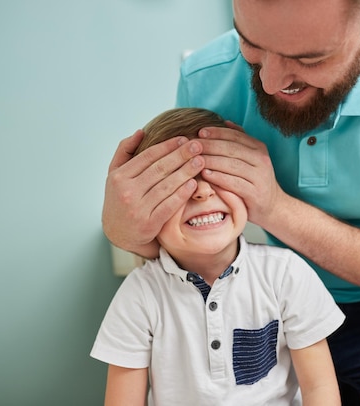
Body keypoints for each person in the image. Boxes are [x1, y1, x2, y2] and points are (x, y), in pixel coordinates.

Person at [102, 0, 360, 404]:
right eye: (251, 46)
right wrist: (126, 230)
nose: (271, 82)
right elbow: (184, 233)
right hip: (258, 298)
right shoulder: (204, 78)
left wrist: (274, 207)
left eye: (308, 58)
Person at [91, 108, 345, 406]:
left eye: (217, 173)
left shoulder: (286, 275)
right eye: (177, 183)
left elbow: (320, 391)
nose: (202, 192)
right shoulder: (140, 295)